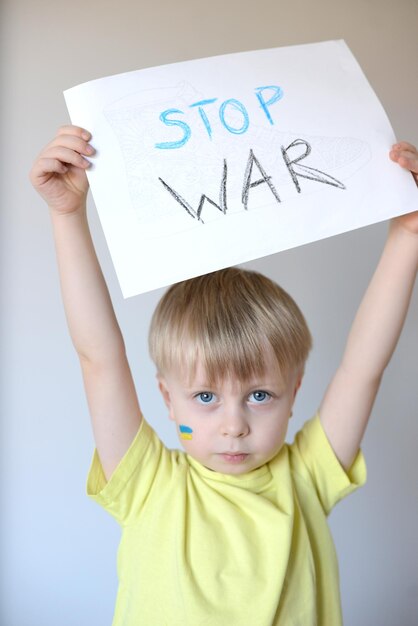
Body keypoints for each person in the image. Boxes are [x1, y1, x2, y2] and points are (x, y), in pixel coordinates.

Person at [30, 127, 418, 626]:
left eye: (259, 394)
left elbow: (363, 367)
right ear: (168, 399)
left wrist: (408, 236)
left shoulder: (306, 478)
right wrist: (66, 216)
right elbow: (98, 358)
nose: (234, 424)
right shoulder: (148, 483)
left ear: (294, 392)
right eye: (206, 396)